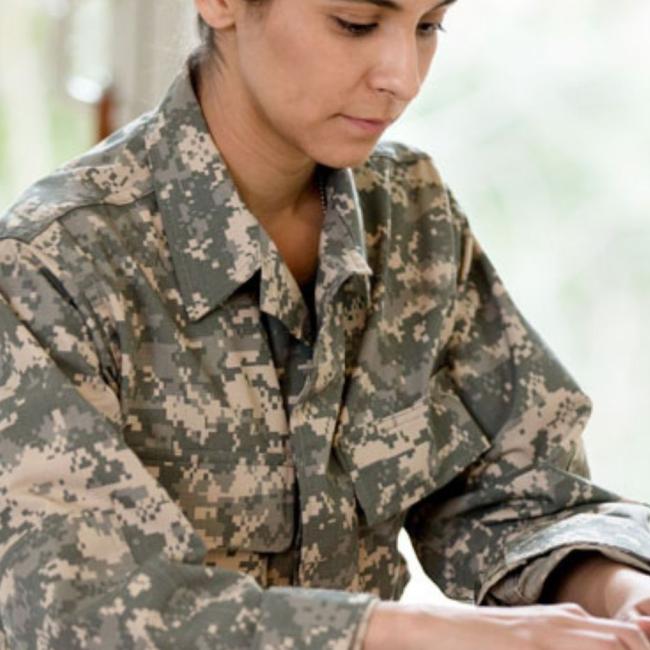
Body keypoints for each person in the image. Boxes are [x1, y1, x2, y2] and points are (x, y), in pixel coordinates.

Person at [1, 0, 650, 647]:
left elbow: (510, 492)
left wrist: (625, 597)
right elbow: (83, 612)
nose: (402, 76)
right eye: (357, 24)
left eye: (428, 27)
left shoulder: (409, 213)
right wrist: (428, 630)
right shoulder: (50, 262)